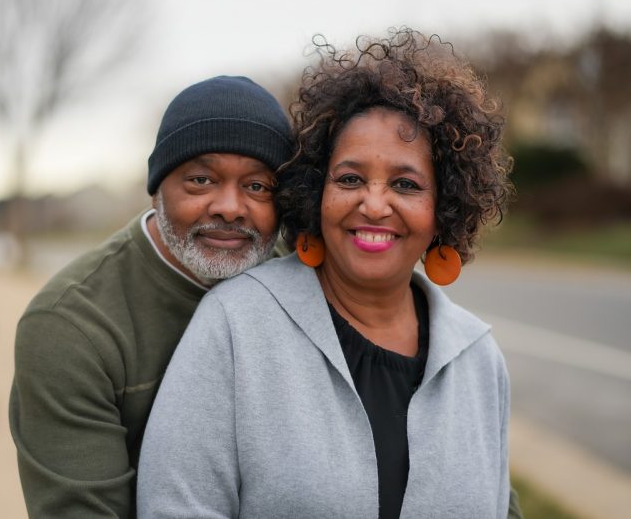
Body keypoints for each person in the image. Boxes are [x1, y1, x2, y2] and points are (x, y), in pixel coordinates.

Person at [138, 29, 518, 518]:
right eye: (350, 179)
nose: (374, 204)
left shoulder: (479, 357)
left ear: (442, 207)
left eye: (405, 184)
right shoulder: (235, 325)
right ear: (317, 193)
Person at [9, 75, 293, 518]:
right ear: (158, 186)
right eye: (201, 180)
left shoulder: (299, 273)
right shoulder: (70, 327)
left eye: (258, 186)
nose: (230, 207)